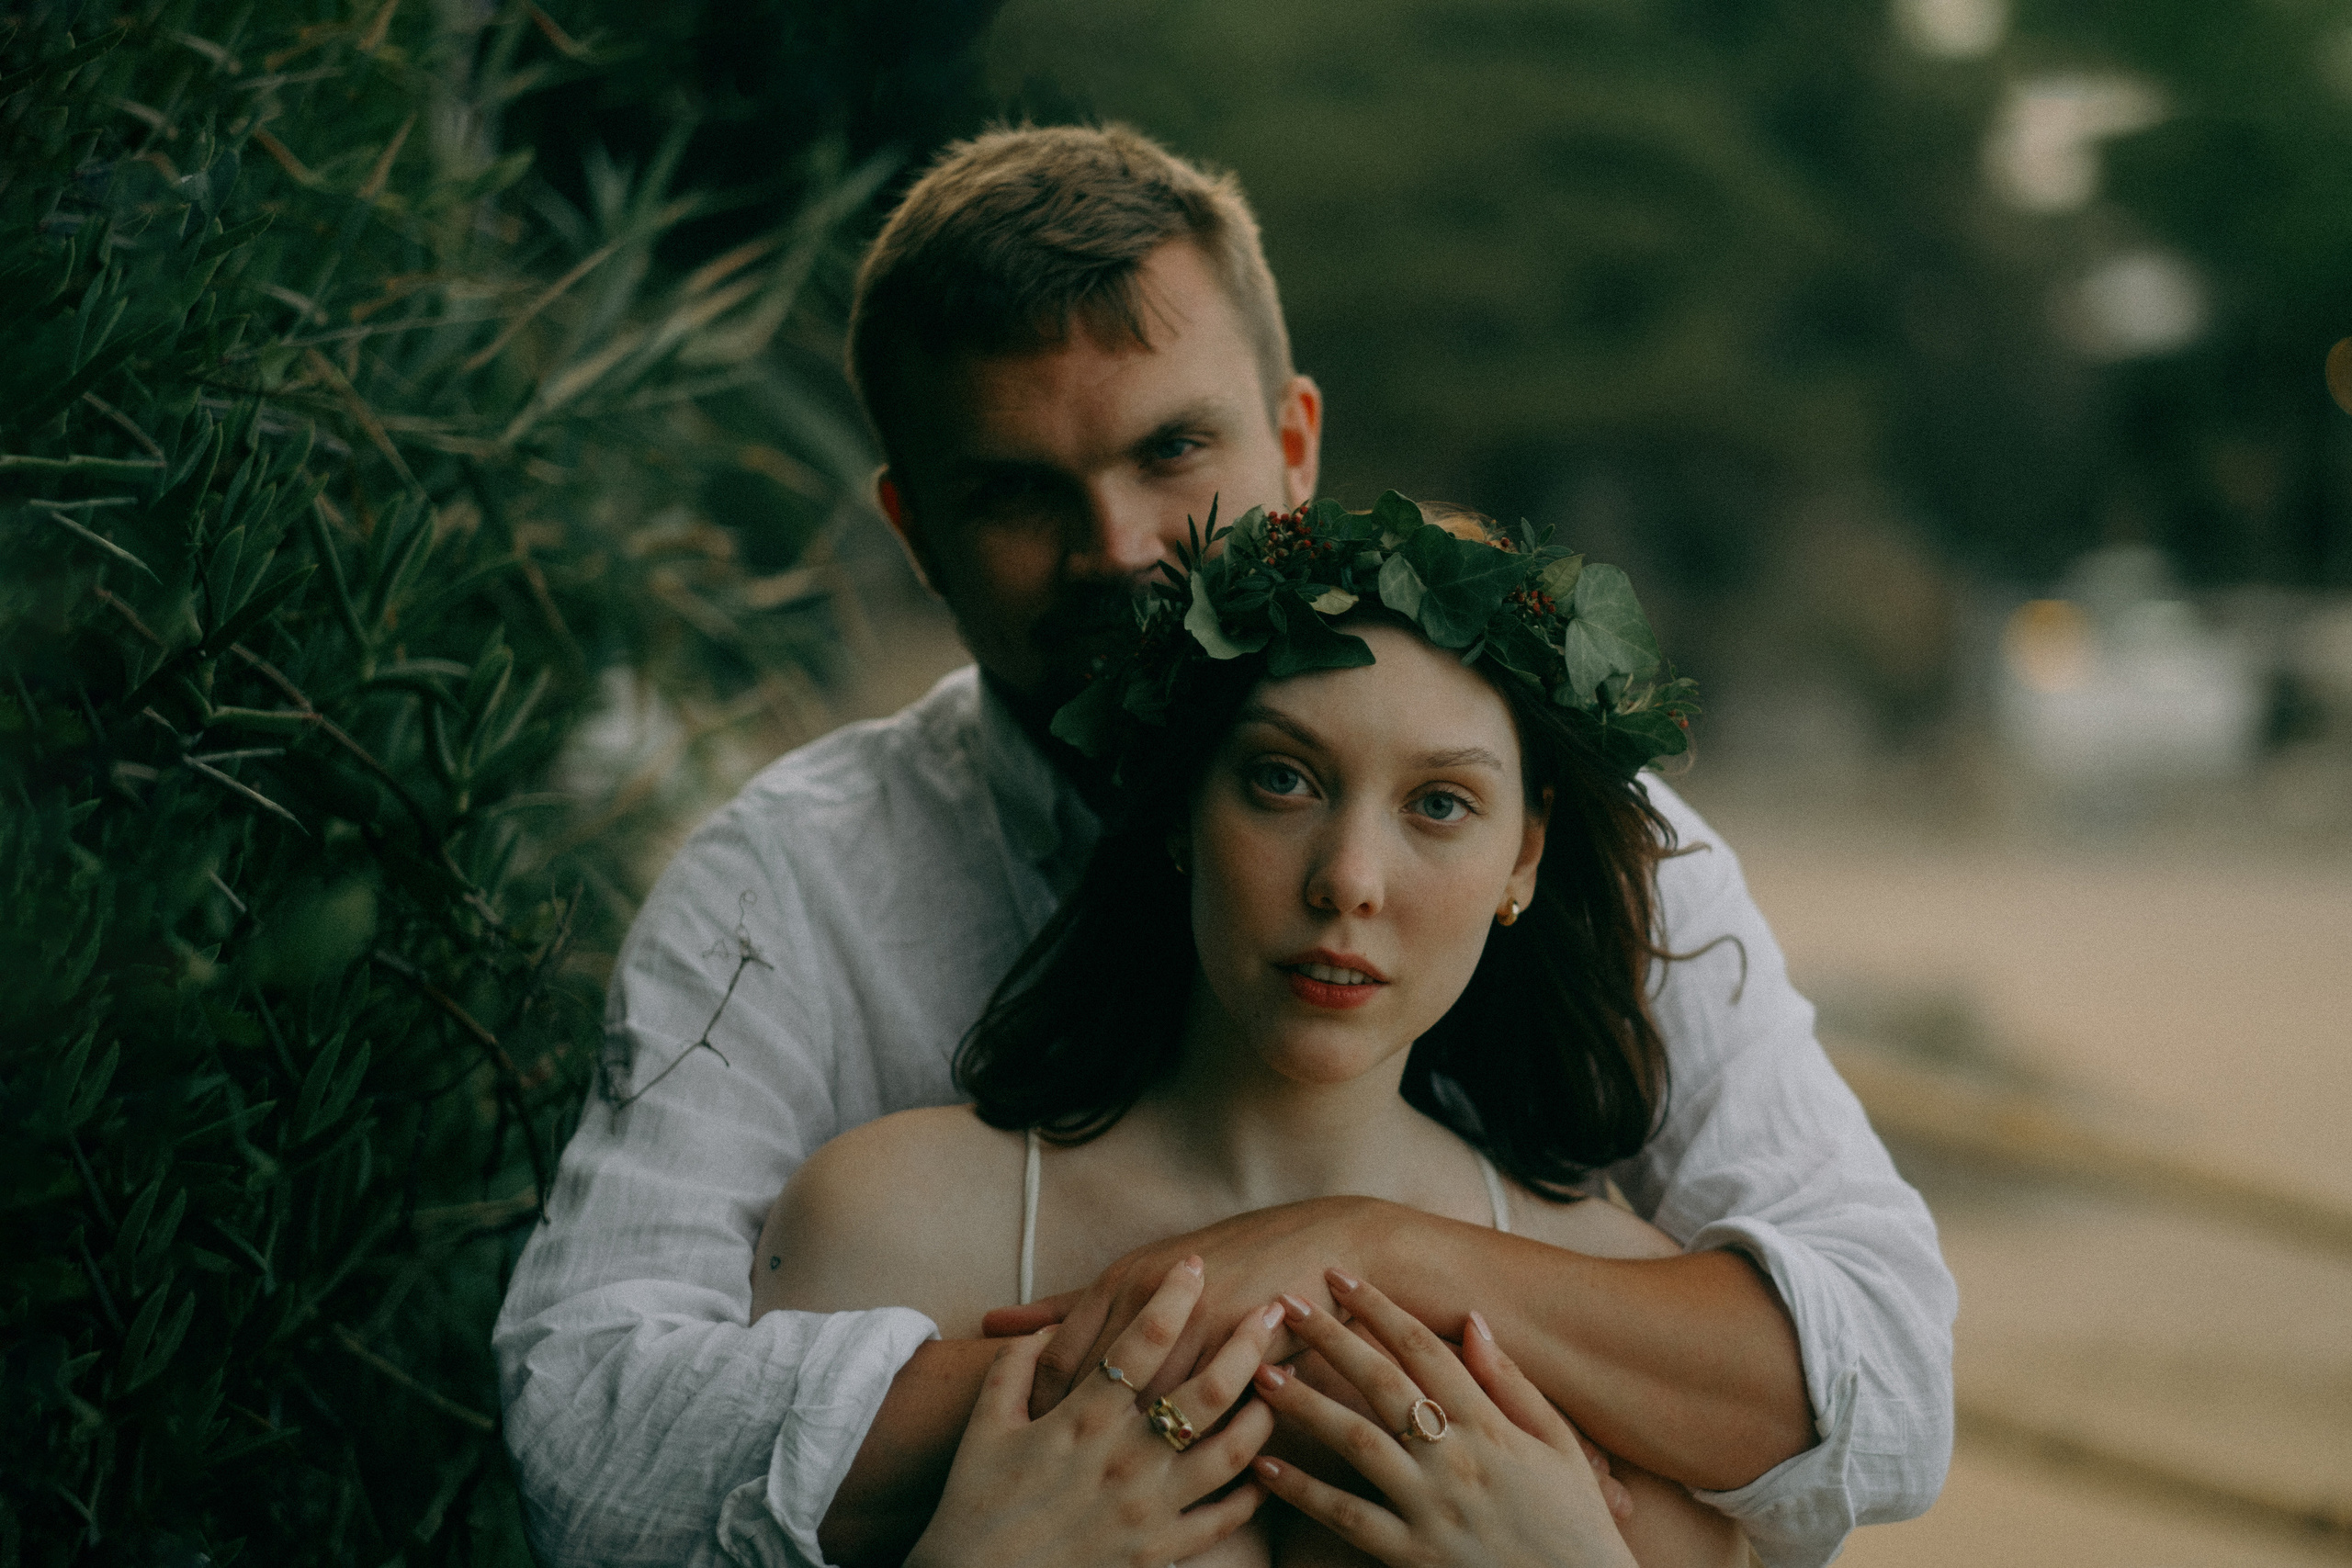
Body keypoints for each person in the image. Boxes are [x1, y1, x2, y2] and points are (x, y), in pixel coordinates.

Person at [492, 123, 1956, 1568]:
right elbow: (591, 1428)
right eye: (1013, 490)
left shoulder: (1617, 863)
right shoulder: (787, 890)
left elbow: (1881, 1374)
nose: (1120, 547)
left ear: (1296, 442)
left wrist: (1375, 1254)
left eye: (1173, 449)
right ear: (915, 528)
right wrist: (1166, 1380)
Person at [752, 498, 1747, 1567]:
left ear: (1524, 859)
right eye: (1283, 778)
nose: (1349, 880)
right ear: (1180, 807)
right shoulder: (888, 1223)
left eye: (1441, 804)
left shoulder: (1620, 1320)